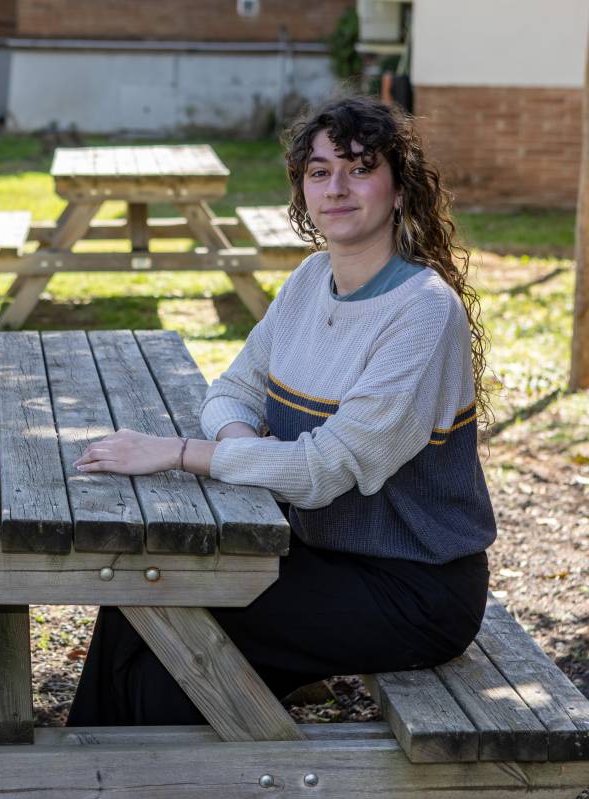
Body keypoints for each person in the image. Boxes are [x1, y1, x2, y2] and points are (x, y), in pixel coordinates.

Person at [67, 96, 496, 726]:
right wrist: (249, 447)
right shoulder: (308, 280)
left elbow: (324, 471)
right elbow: (231, 391)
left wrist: (185, 454)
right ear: (302, 190)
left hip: (412, 588)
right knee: (142, 601)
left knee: (163, 617)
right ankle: (88, 773)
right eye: (320, 172)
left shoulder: (423, 313)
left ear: (401, 191)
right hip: (314, 554)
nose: (337, 188)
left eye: (360, 167)